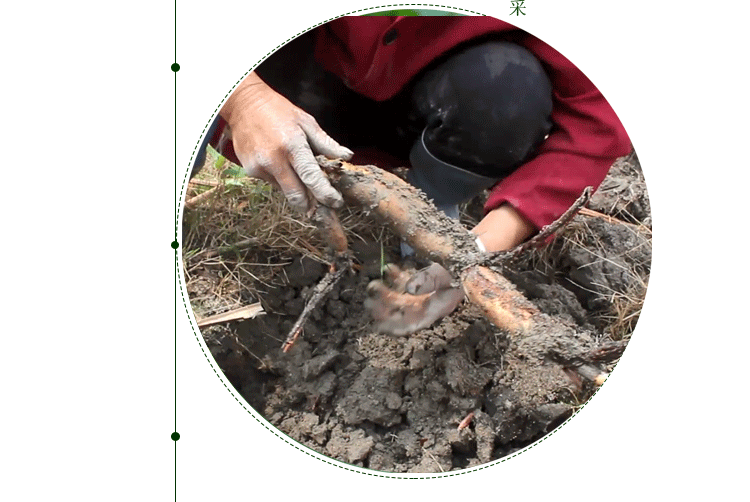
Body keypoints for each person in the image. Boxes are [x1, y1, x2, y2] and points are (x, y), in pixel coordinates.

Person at [194, 16, 631, 334]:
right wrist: (243, 99)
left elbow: (597, 117)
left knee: (508, 87)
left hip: (436, 83)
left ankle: (432, 208)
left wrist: (476, 251)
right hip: (289, 75)